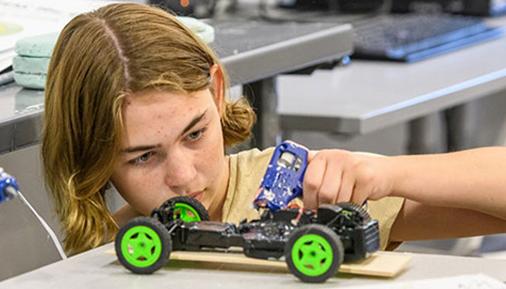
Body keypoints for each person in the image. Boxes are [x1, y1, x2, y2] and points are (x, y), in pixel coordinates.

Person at [42, 3, 506, 256]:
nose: (183, 177)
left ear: (217, 89)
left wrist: (389, 175)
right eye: (143, 156)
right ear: (95, 156)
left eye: (195, 134)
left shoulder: (292, 191)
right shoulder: (105, 253)